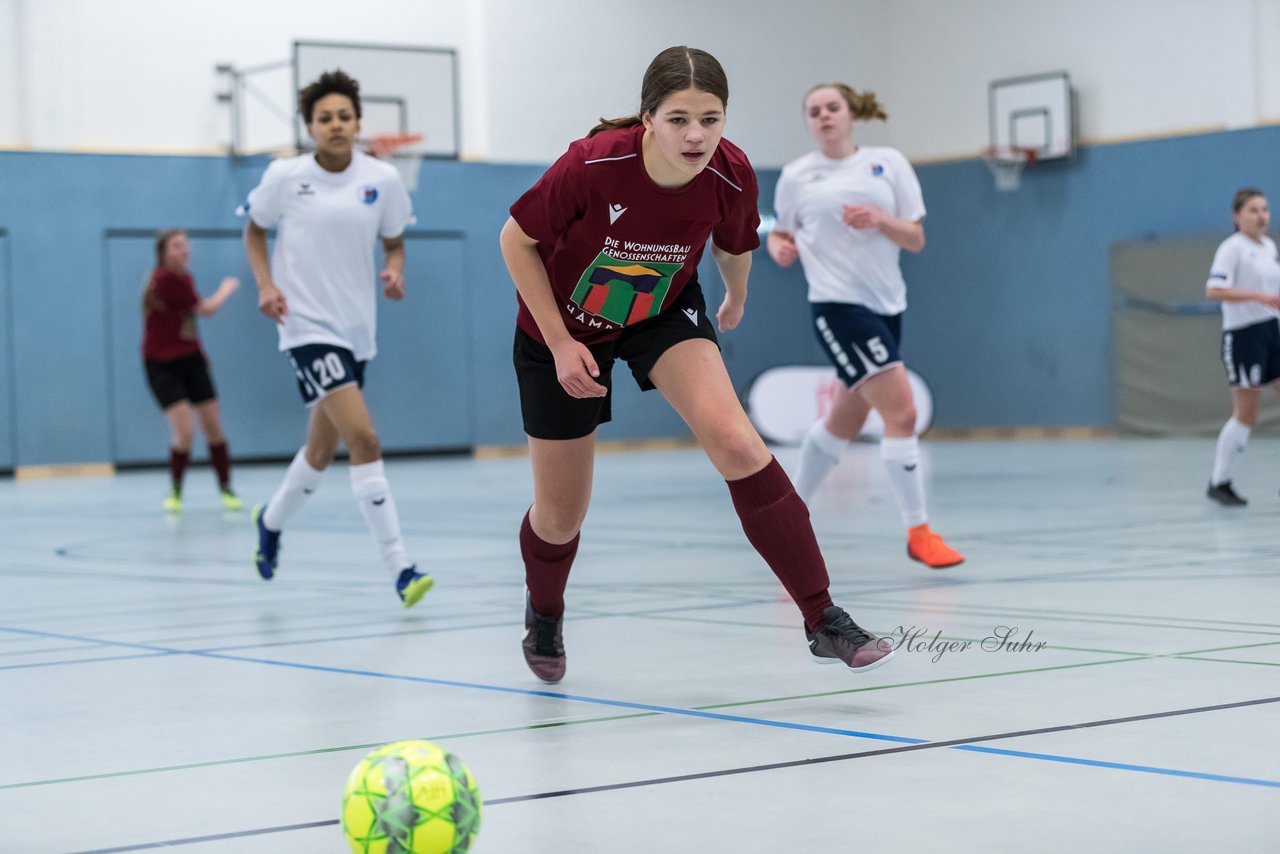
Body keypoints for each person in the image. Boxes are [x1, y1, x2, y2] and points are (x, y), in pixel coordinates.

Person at [500, 46, 894, 684]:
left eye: (710, 119)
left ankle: (823, 618)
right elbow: (515, 240)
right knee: (561, 513)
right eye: (680, 119)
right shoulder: (594, 163)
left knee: (738, 441)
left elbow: (735, 241)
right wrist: (558, 342)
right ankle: (544, 611)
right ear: (649, 117)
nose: (696, 135)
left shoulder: (732, 172)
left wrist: (735, 295)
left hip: (660, 306)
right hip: (563, 326)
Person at [242, 69, 433, 608]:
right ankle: (401, 567)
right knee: (364, 439)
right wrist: (265, 284)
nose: (335, 125)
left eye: (344, 116)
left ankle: (270, 521)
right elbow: (254, 228)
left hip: (356, 331)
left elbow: (394, 244)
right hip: (304, 326)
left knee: (320, 451)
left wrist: (395, 270)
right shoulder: (286, 176)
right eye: (324, 118)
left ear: (357, 123)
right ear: (309, 126)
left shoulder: (382, 180)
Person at [767, 83, 963, 569]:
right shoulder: (796, 176)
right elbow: (781, 235)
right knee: (903, 413)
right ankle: (919, 532)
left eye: (832, 107)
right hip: (838, 306)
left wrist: (878, 219)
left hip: (887, 306)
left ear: (851, 114)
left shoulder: (888, 163)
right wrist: (780, 249)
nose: (824, 116)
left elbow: (915, 237)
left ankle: (785, 516)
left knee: (844, 420)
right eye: (813, 111)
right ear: (808, 122)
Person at [141, 229, 241, 513]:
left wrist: (198, 348)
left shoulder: (185, 278)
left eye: (185, 246)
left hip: (190, 359)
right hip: (161, 365)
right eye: (176, 246)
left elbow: (185, 319)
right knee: (185, 431)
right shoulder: (165, 279)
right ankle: (175, 490)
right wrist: (226, 289)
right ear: (163, 253)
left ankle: (226, 489)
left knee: (214, 428)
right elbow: (206, 309)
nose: (183, 251)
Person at [1205, 187, 1280, 506]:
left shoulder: (1268, 246)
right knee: (1246, 414)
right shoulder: (1231, 249)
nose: (1261, 215)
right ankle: (1219, 481)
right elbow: (1214, 290)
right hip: (1243, 335)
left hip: (1271, 331)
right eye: (1253, 210)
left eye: (1265, 209)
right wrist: (1257, 297)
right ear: (1237, 217)